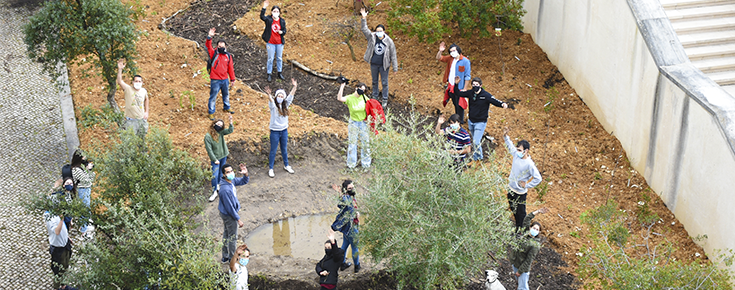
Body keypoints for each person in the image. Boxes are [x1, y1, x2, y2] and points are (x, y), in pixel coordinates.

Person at [455, 77, 508, 160]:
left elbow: (494, 101)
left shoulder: (485, 95)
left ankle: (479, 158)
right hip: (471, 121)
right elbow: (458, 93)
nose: (475, 86)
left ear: (480, 85)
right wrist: (456, 84)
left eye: (477, 85)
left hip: (480, 122)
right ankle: (476, 158)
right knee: (475, 141)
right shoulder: (471, 93)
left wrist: (502, 104)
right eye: (473, 85)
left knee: (476, 142)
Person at [503, 127, 542, 229]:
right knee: (513, 209)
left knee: (521, 214)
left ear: (526, 151)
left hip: (520, 193)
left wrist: (527, 185)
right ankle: (517, 227)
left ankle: (521, 230)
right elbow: (510, 146)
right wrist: (506, 136)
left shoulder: (530, 164)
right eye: (518, 149)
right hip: (511, 189)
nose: (518, 151)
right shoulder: (516, 155)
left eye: (520, 150)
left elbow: (538, 178)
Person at [360, 8, 398, 108]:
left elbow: (393, 55)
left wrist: (395, 68)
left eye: (380, 31)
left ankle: (385, 99)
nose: (378, 33)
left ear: (384, 32)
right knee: (374, 81)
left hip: (384, 65)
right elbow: (364, 30)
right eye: (377, 31)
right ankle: (375, 97)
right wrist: (364, 18)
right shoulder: (372, 37)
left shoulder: (389, 41)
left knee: (385, 82)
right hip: (374, 63)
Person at [265, 78, 298, 178]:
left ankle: (286, 165)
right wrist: (269, 95)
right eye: (278, 95)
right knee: (273, 150)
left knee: (284, 149)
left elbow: (291, 95)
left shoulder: (286, 105)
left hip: (284, 130)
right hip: (275, 131)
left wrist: (295, 86)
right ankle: (271, 168)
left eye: (281, 96)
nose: (280, 97)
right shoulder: (273, 106)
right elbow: (271, 100)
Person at [509, 207, 549, 290]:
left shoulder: (535, 245)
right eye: (534, 228)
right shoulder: (525, 233)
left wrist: (520, 271)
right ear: (530, 228)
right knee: (518, 284)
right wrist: (538, 211)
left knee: (523, 288)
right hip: (515, 262)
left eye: (537, 229)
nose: (535, 230)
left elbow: (529, 260)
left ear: (539, 232)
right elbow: (527, 219)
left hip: (522, 269)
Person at [46, 182, 76, 290]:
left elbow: (62, 229)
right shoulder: (49, 216)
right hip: (58, 248)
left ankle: (64, 286)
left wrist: (67, 237)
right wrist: (62, 219)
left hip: (65, 243)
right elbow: (56, 231)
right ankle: (57, 287)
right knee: (58, 270)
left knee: (66, 266)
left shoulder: (56, 214)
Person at [218, 163, 249, 263]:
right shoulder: (224, 189)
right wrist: (238, 219)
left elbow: (244, 181)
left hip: (227, 212)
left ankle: (225, 256)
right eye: (228, 172)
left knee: (227, 234)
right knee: (232, 237)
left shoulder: (231, 181)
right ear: (224, 174)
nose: (231, 173)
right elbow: (229, 208)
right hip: (228, 215)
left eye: (231, 171)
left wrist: (246, 174)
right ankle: (232, 258)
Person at [337, 82, 371, 169]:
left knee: (365, 143)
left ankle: (366, 164)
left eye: (363, 90)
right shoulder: (350, 98)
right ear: (356, 88)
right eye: (360, 88)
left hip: (363, 123)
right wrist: (342, 86)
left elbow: (371, 108)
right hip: (353, 123)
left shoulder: (364, 98)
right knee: (352, 143)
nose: (361, 91)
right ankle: (351, 165)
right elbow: (340, 98)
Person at [330, 180, 361, 273]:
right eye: (350, 188)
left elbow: (342, 205)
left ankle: (342, 264)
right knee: (355, 247)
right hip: (352, 227)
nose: (352, 189)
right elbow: (348, 207)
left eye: (353, 187)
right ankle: (357, 266)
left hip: (347, 228)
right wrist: (356, 214)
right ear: (346, 190)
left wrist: (340, 193)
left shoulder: (348, 197)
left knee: (345, 245)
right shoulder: (348, 198)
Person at [206, 27, 237, 120]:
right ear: (217, 47)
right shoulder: (214, 53)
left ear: (226, 47)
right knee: (213, 96)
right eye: (219, 47)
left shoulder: (228, 56)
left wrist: (232, 79)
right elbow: (208, 45)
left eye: (223, 47)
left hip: (224, 79)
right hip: (215, 79)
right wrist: (209, 37)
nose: (221, 48)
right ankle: (211, 112)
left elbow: (230, 68)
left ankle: (226, 107)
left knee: (226, 94)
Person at [436, 42, 471, 123]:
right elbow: (439, 58)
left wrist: (465, 88)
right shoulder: (450, 58)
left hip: (460, 87)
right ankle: (456, 120)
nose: (452, 52)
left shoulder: (465, 61)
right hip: (451, 86)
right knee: (455, 103)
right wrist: (440, 51)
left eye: (454, 50)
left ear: (458, 50)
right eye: (451, 51)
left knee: (460, 105)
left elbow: (467, 76)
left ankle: (460, 121)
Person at [116, 59, 150, 137]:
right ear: (133, 82)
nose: (137, 83)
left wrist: (147, 111)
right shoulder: (128, 89)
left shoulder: (143, 91)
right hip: (130, 122)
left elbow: (146, 99)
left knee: (142, 142)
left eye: (139, 81)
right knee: (130, 142)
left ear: (142, 83)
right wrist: (120, 69)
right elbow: (120, 81)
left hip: (141, 121)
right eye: (136, 81)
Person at [205, 115, 234, 202]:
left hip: (223, 155)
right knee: (215, 175)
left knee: (222, 173)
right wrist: (214, 159)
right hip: (216, 159)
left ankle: (219, 186)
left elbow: (230, 130)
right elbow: (209, 150)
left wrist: (230, 122)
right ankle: (214, 192)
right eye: (218, 124)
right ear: (214, 124)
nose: (219, 126)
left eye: (221, 125)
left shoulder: (221, 133)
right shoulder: (208, 136)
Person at [260, 0, 287, 82]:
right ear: (272, 12)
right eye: (274, 11)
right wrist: (264, 7)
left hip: (279, 43)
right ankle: (269, 73)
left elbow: (284, 30)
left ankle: (279, 72)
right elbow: (262, 17)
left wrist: (282, 32)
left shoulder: (282, 21)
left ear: (279, 12)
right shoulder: (269, 19)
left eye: (277, 11)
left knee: (279, 58)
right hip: (270, 42)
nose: (276, 12)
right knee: (270, 58)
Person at [70, 150, 95, 236]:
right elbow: (86, 180)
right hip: (82, 190)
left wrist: (89, 171)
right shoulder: (76, 169)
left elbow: (90, 179)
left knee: (85, 208)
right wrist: (89, 170)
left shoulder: (80, 167)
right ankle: (83, 230)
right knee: (85, 209)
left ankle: (83, 225)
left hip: (86, 189)